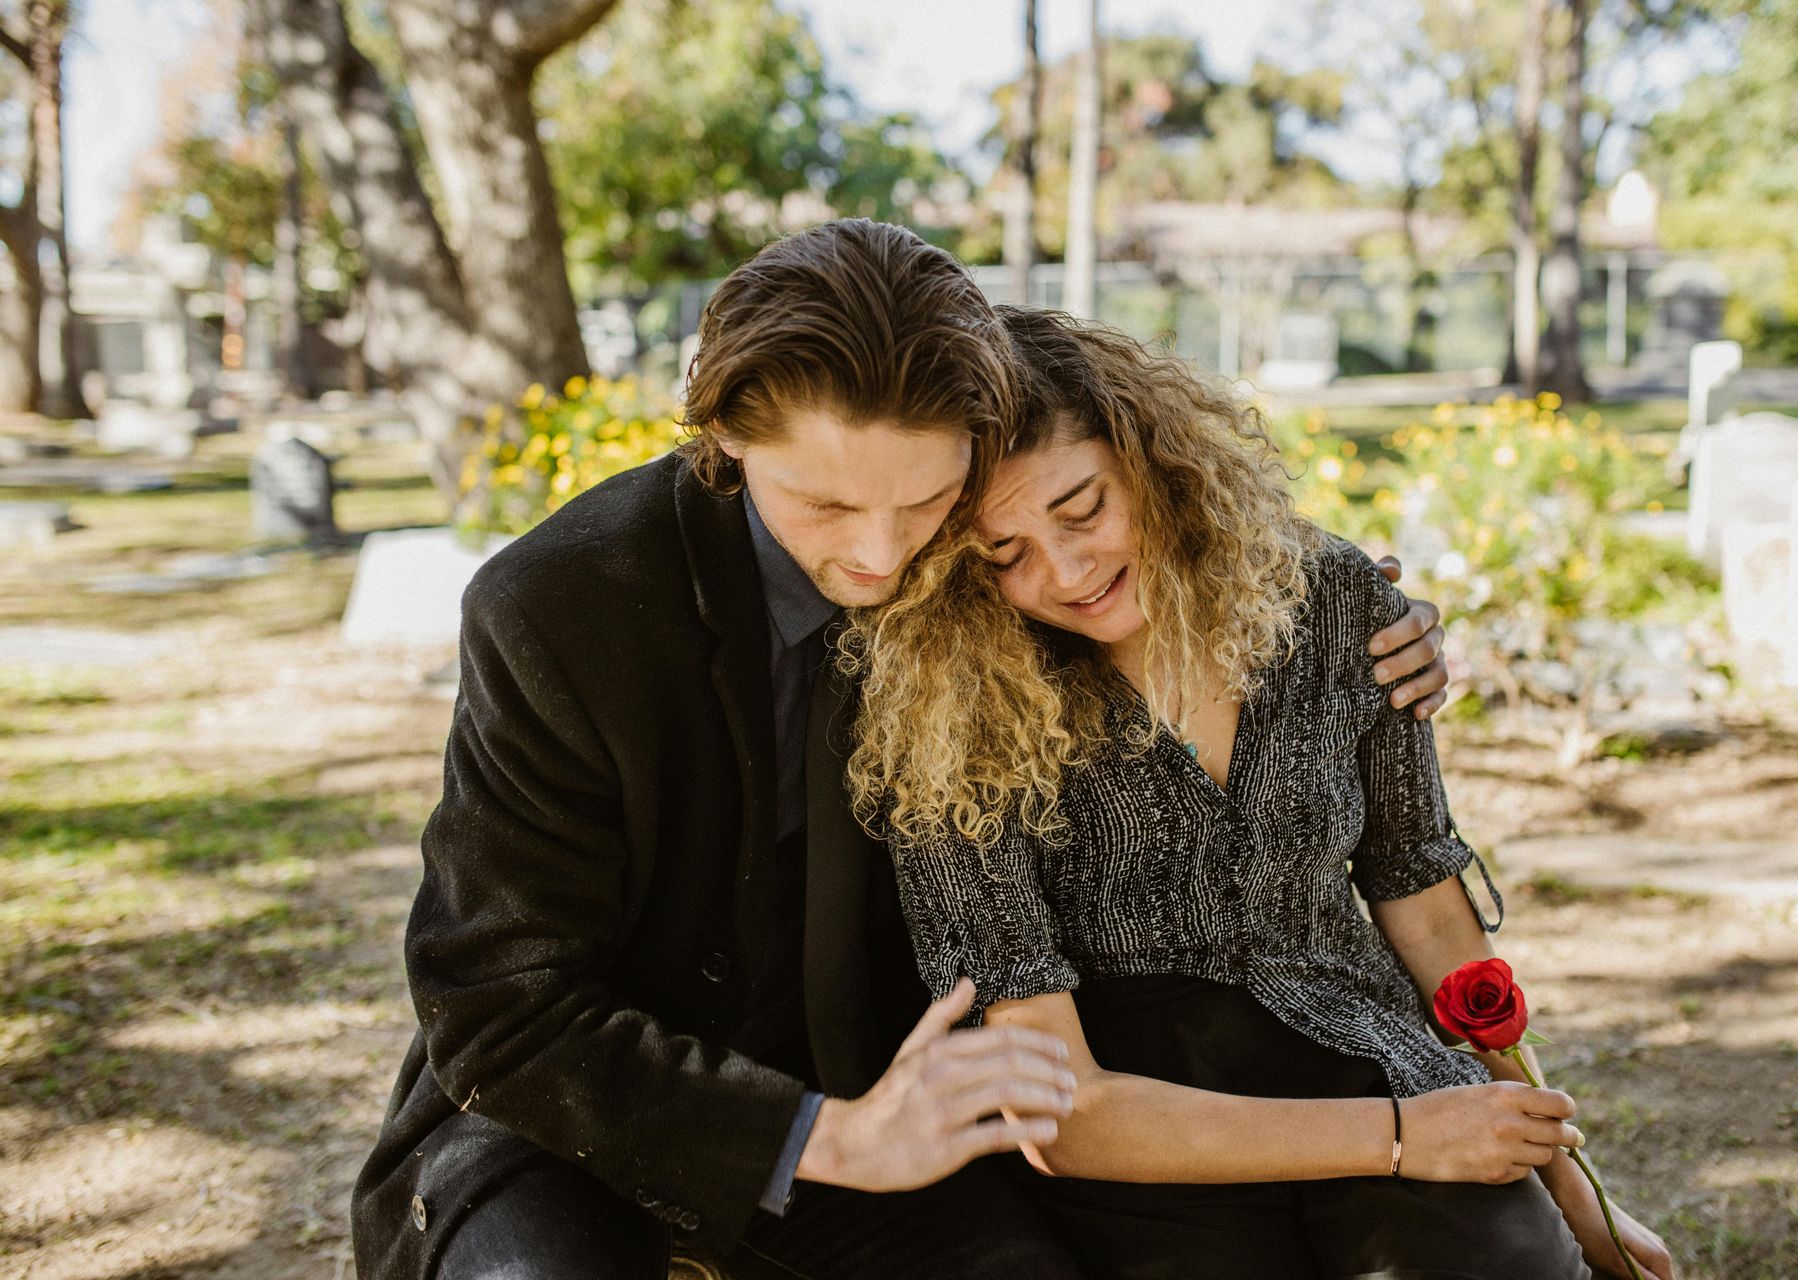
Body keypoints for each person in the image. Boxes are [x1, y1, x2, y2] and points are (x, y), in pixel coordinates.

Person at [349, 220, 1456, 1279]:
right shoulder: (559, 606)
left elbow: (1188, 543)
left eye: (926, 497)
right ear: (725, 433)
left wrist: (1373, 617)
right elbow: (497, 1007)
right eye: (825, 501)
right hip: (572, 1118)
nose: (880, 553)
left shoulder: (998, 566)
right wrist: (822, 1135)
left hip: (887, 1090)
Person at [843, 306, 1679, 1280]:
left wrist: (1574, 1188)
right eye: (1004, 553)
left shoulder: (1337, 602)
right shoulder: (948, 708)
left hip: (1355, 1036)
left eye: (1083, 507)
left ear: (1150, 456)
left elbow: (1423, 898)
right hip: (1145, 1120)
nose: (1066, 569)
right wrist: (1401, 1136)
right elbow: (1065, 1109)